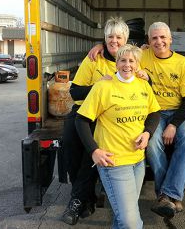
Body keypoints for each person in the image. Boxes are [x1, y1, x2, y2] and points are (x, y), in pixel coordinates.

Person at [88, 22, 185, 219]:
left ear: (171, 39)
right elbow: (117, 51)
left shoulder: (183, 63)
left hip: (178, 111)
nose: (159, 41)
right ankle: (166, 196)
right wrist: (99, 47)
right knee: (153, 144)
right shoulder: (140, 55)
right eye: (154, 38)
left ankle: (168, 193)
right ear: (147, 41)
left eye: (163, 37)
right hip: (151, 111)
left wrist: (173, 125)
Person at [75, 44, 161, 228]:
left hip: (138, 161)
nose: (127, 65)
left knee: (121, 216)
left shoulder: (144, 85)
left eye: (132, 61)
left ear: (138, 65)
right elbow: (81, 120)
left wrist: (148, 133)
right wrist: (94, 150)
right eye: (123, 60)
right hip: (114, 163)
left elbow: (155, 113)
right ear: (116, 63)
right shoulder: (103, 87)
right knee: (131, 222)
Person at [61, 16, 130, 225]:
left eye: (119, 37)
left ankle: (78, 200)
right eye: (110, 37)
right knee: (69, 143)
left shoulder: (131, 60)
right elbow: (74, 91)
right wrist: (98, 86)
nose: (114, 41)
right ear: (104, 38)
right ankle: (84, 196)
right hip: (84, 110)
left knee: (89, 152)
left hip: (109, 117)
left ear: (126, 39)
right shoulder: (93, 58)